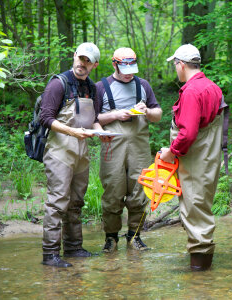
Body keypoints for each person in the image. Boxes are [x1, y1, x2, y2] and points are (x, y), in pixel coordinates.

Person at [40, 42, 110, 267]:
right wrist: (72, 131)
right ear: (74, 56)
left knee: (76, 201)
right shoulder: (57, 84)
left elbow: (95, 119)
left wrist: (102, 133)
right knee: (58, 201)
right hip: (60, 151)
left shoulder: (93, 88)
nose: (82, 63)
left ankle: (73, 247)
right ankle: (50, 254)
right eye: (80, 58)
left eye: (88, 61)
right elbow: (46, 118)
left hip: (82, 152)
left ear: (95, 65)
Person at [160, 44, 227, 271]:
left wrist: (170, 152)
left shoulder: (191, 91)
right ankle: (203, 269)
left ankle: (199, 273)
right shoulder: (213, 87)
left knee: (194, 208)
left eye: (175, 65)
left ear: (180, 64)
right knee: (201, 205)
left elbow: (187, 133)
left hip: (196, 159)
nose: (175, 69)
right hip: (209, 158)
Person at [96, 47, 162, 252]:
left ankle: (135, 236)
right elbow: (93, 118)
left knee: (140, 190)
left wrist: (147, 111)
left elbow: (158, 114)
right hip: (112, 147)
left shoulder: (143, 85)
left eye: (133, 68)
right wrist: (116, 115)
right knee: (113, 191)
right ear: (114, 64)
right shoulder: (101, 87)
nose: (130, 73)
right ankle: (111, 238)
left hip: (139, 147)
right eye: (126, 69)